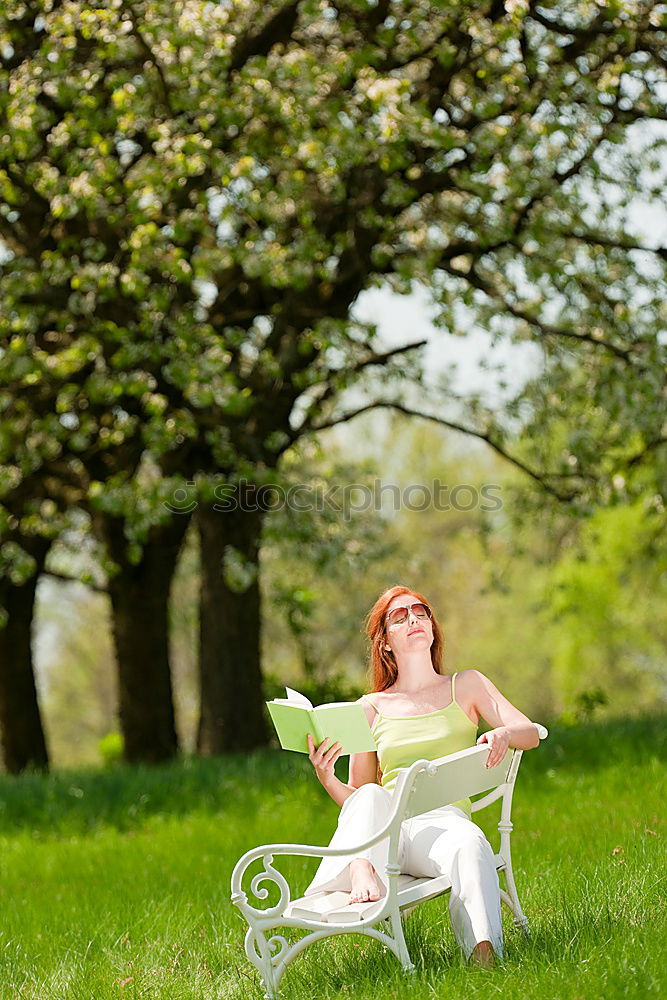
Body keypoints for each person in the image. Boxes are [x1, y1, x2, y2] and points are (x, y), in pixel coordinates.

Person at [304, 584, 541, 968]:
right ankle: (360, 867)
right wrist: (328, 777)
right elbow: (361, 800)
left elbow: (529, 732)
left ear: (432, 627)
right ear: (385, 642)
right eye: (401, 616)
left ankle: (484, 955)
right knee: (374, 796)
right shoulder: (370, 707)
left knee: (470, 842)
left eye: (421, 612)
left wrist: (504, 734)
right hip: (386, 832)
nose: (415, 618)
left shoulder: (466, 685)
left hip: (443, 827)